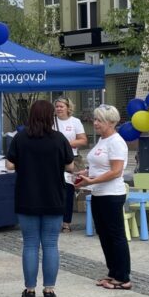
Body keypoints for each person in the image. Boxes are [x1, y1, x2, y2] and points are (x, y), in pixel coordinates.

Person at [6, 100, 74, 297]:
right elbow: (70, 167)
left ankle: (29, 290)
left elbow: (9, 165)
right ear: (50, 116)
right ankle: (49, 291)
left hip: (27, 197)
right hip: (53, 197)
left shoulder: (20, 138)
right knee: (51, 244)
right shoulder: (59, 138)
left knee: (30, 244)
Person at [76, 104, 132, 290]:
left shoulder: (116, 142)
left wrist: (91, 181)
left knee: (115, 235)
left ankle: (123, 276)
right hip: (98, 193)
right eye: (95, 119)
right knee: (104, 235)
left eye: (99, 120)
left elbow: (116, 172)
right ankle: (113, 272)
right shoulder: (101, 141)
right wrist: (85, 173)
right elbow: (99, 167)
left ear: (111, 122)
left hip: (112, 194)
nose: (95, 123)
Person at [53, 97, 88, 233]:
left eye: (61, 106)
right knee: (55, 191)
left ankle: (66, 222)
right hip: (54, 160)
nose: (59, 109)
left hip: (70, 159)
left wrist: (65, 144)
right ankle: (54, 220)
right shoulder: (51, 122)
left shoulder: (75, 122)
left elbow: (83, 140)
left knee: (68, 191)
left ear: (68, 108)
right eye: (57, 106)